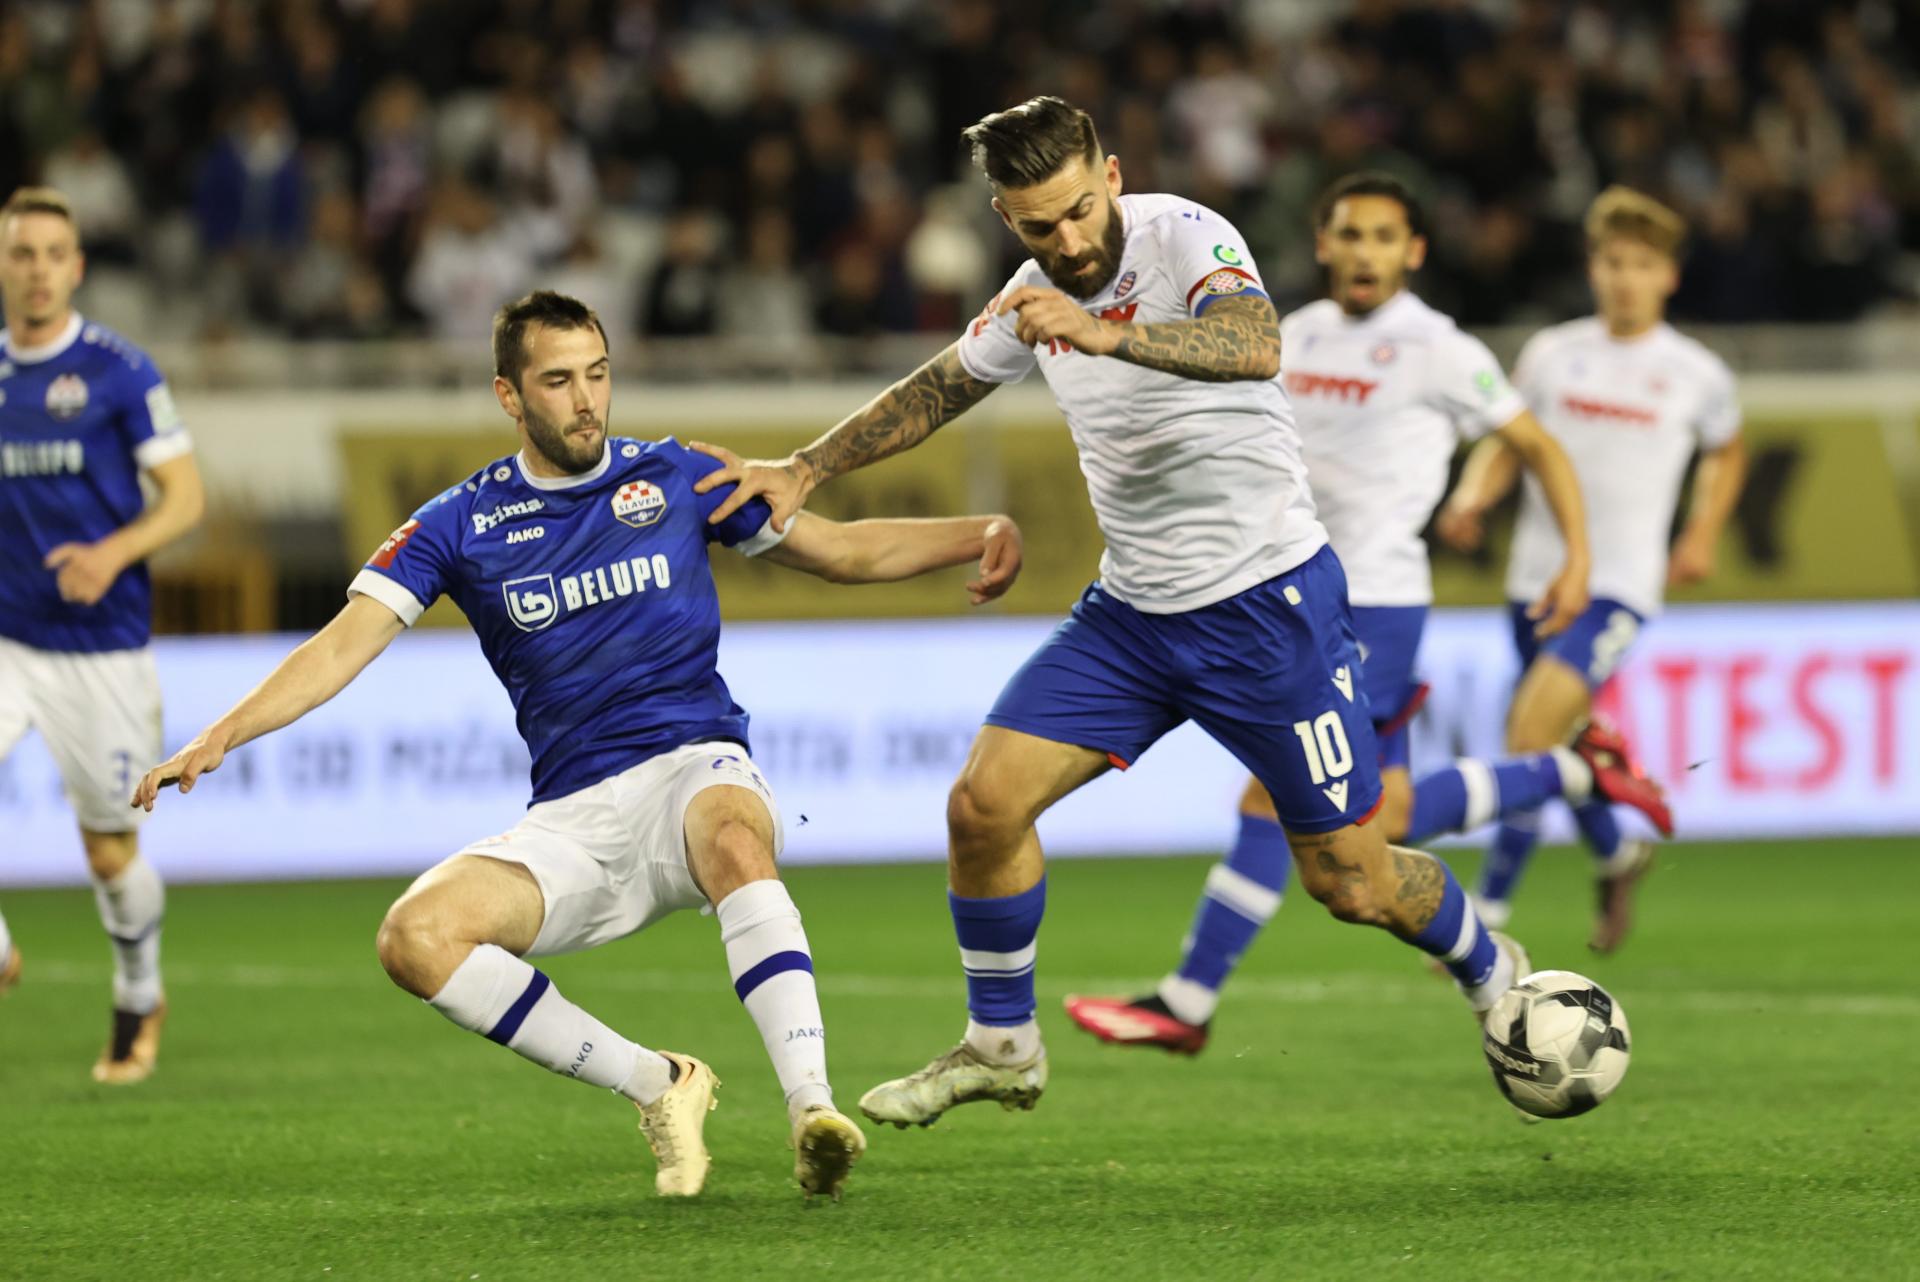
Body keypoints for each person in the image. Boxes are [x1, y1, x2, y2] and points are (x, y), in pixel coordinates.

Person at [692, 98, 1538, 1131]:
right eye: (1040, 227)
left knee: (1352, 881)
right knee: (982, 806)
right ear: (1009, 220)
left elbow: (1255, 342)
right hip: (1133, 617)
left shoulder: (1190, 235)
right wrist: (808, 466)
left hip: (1269, 609)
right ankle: (1002, 1046)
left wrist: (1106, 333)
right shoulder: (1029, 293)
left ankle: (1496, 974)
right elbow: (944, 385)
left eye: (1083, 211)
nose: (1071, 241)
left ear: (1114, 177)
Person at [132, 290, 1025, 1200]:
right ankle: (660, 1084)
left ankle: (810, 1111)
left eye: (597, 374)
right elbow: (341, 643)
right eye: (557, 381)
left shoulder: (678, 476)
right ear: (509, 397)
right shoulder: (457, 524)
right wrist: (219, 734)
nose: (586, 399)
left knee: (735, 837)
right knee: (416, 938)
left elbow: (841, 552)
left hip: (695, 766)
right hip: (574, 818)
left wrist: (979, 533)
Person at [1061, 172, 1672, 1055]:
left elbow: (1537, 446)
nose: (1364, 252)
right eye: (1349, 234)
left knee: (1275, 798)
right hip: (1285, 592)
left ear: (1413, 253)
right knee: (1375, 822)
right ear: (1323, 245)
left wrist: (1577, 557)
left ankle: (1188, 1000)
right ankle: (1574, 771)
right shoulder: (1286, 334)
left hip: (1376, 603)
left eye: (1385, 237)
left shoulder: (1438, 348)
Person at [1437, 186, 1747, 951]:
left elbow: (1727, 449)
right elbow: (1511, 440)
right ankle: (1617, 851)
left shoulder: (1696, 372)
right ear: (1593, 266)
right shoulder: (1554, 352)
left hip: (1620, 586)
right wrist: (1474, 493)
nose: (1625, 278)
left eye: (1642, 264)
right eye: (1613, 261)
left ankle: (1488, 919)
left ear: (1668, 276)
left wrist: (1703, 529)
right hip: (1535, 579)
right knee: (1560, 741)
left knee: (1531, 731)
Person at [0, 187, 206, 1083]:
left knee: (108, 852)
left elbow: (187, 499)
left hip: (103, 650)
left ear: (76, 268)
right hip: (8, 637)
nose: (37, 269)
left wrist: (109, 553)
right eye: (21, 253)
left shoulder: (120, 372)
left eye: (53, 253)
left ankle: (139, 991)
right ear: (4, 266)